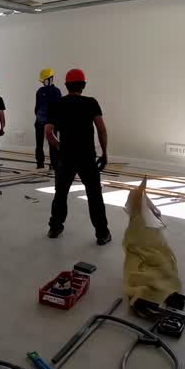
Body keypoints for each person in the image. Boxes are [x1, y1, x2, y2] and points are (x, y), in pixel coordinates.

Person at [45, 69, 111, 245]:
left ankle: (55, 227)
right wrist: (104, 152)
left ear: (66, 86)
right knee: (94, 194)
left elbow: (48, 133)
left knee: (61, 193)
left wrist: (60, 147)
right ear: (83, 86)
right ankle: (102, 234)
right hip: (86, 156)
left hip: (66, 157)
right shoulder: (91, 103)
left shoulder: (57, 104)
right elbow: (101, 129)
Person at [33, 68, 62, 170]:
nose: (43, 82)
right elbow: (36, 107)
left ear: (50, 79)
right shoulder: (40, 91)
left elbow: (58, 108)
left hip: (51, 123)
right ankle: (41, 163)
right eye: (42, 80)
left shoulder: (56, 91)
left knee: (52, 144)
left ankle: (53, 164)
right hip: (42, 122)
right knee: (40, 144)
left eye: (44, 80)